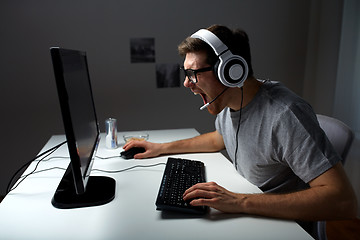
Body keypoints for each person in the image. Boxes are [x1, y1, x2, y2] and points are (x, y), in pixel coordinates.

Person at [123, 24, 357, 237]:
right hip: (251, 214)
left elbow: (343, 201)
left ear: (231, 70)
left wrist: (238, 201)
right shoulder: (229, 101)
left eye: (194, 73)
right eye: (186, 73)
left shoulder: (285, 115)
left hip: (283, 228)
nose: (187, 83)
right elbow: (219, 138)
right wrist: (161, 148)